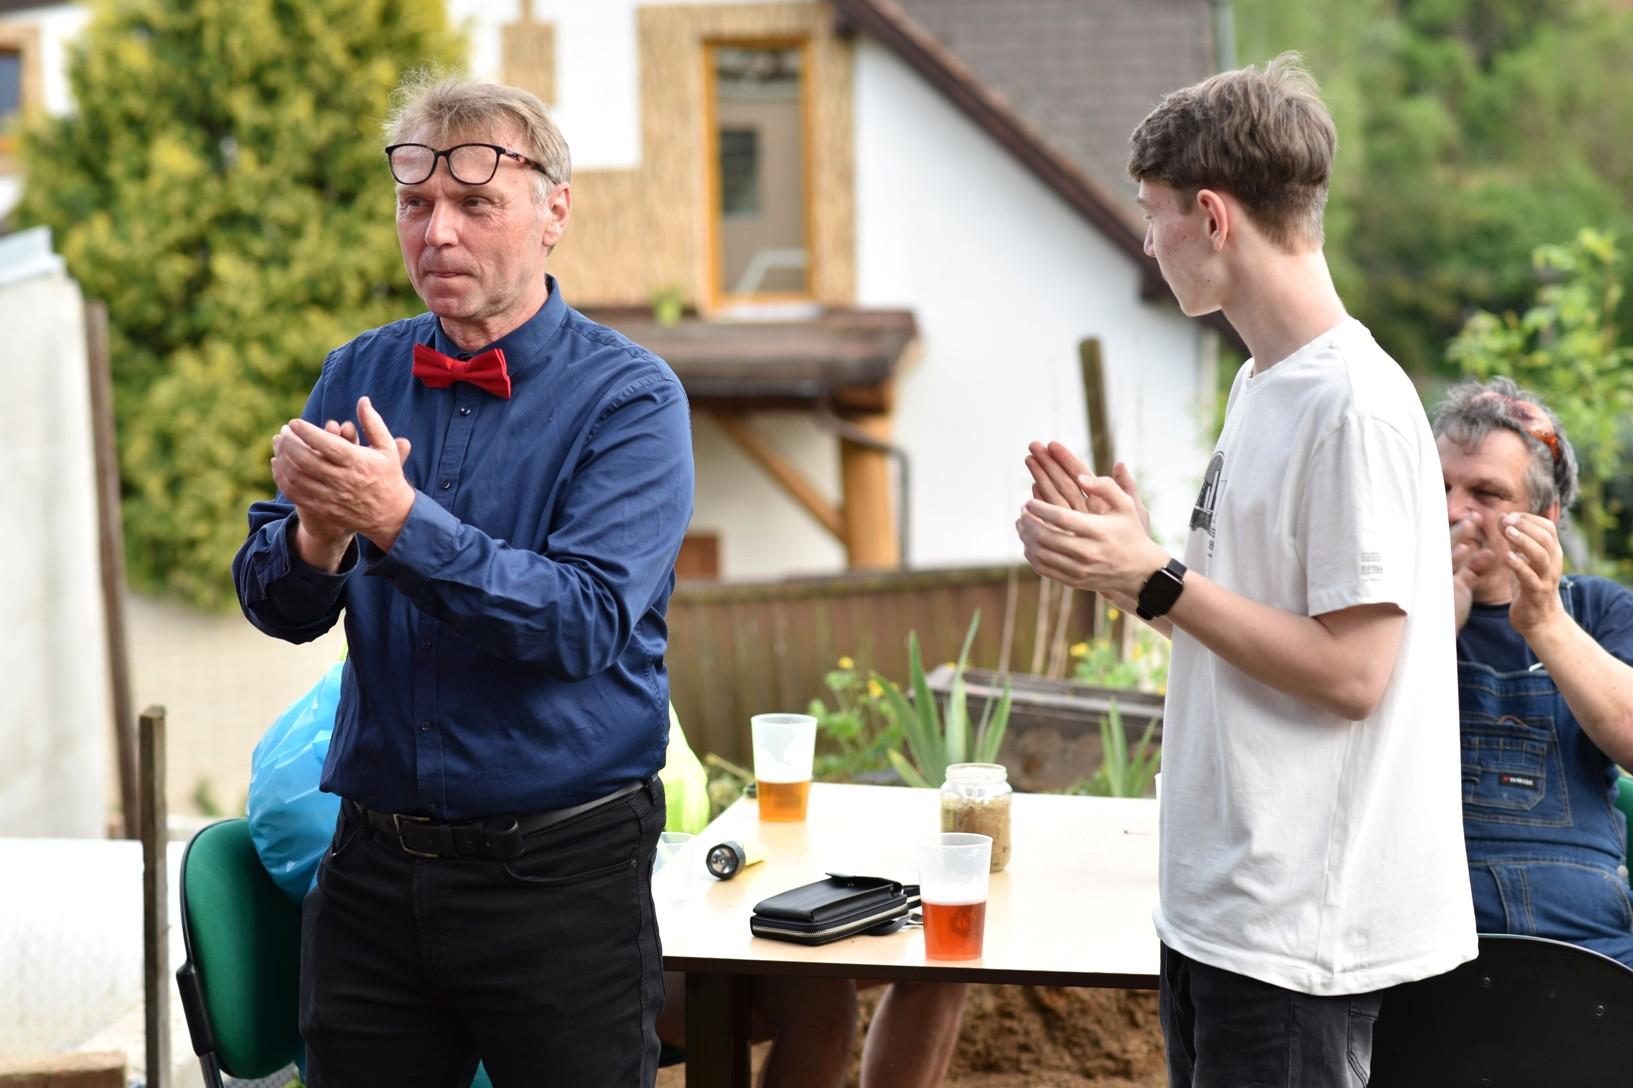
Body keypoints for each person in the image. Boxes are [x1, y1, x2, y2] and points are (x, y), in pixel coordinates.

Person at [1016, 54, 1475, 1085]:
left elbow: (1352, 673)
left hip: (1296, 936)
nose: (1147, 242)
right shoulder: (1264, 385)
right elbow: (1247, 626)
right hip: (1220, 912)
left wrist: (1158, 577)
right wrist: (1123, 567)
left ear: (1212, 217)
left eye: (1153, 215)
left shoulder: (1351, 405)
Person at [232, 74, 693, 1087]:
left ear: (553, 211)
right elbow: (278, 606)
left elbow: (581, 623)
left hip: (563, 874)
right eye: (416, 203)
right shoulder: (358, 370)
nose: (437, 232)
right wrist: (316, 535)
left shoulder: (631, 399)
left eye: (475, 203)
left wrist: (397, 521)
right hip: (371, 869)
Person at [1436, 377, 1633, 966]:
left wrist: (1545, 620)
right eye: (1439, 486)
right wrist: (1429, 624)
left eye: (1486, 493)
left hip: (1590, 946)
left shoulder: (1596, 608)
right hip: (1429, 944)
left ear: (1545, 515)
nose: (1452, 510)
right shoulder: (1382, 613)